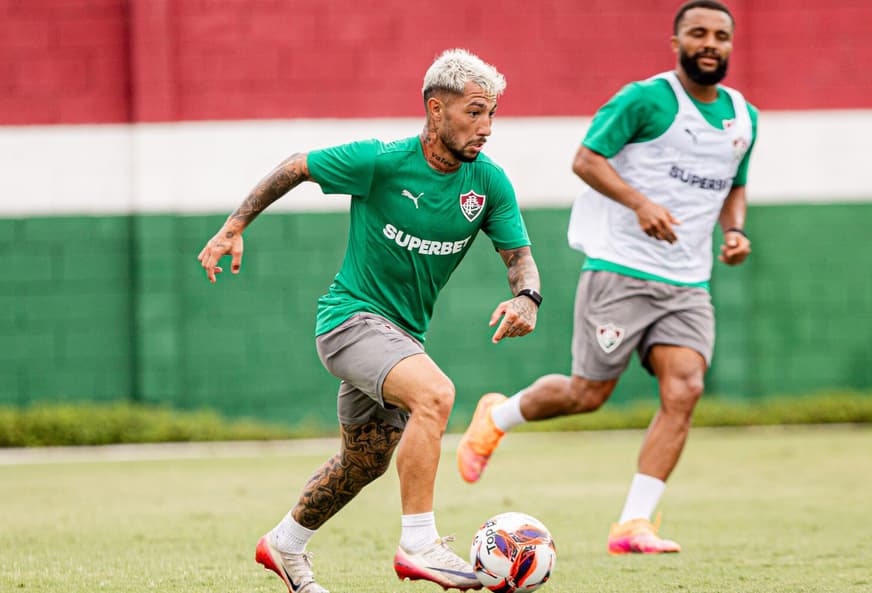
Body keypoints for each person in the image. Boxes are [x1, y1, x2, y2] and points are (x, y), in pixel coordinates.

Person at [197, 48, 542, 593]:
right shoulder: (380, 161)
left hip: (401, 336)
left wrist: (527, 297)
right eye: (475, 112)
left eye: (492, 114)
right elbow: (298, 165)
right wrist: (234, 226)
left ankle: (284, 544)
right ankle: (419, 544)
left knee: (365, 461)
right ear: (436, 110)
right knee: (436, 395)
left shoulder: (489, 183)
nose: (487, 127)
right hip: (349, 320)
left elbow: (518, 255)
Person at [456, 0, 757, 555]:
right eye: (698, 33)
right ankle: (496, 416)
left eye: (721, 35)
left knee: (686, 388)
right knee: (588, 393)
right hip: (621, 269)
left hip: (688, 283)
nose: (710, 44)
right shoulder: (645, 99)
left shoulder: (745, 117)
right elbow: (586, 159)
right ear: (677, 43)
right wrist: (640, 204)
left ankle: (633, 524)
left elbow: (734, 183)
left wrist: (733, 230)